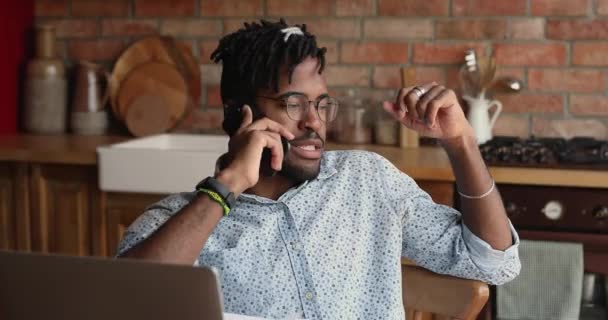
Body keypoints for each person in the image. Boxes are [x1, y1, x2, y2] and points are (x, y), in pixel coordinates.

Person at [117, 19, 520, 319]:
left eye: (322, 104)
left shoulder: (366, 181)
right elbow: (123, 304)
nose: (314, 121)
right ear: (240, 113)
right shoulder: (180, 222)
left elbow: (494, 263)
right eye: (293, 104)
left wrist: (461, 141)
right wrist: (225, 189)